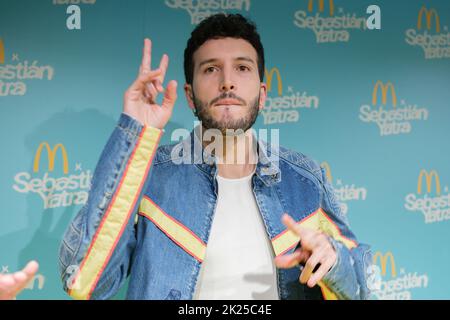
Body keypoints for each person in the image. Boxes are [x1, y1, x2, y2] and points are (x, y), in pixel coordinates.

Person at [58, 13, 373, 300]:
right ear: (190, 96)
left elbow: (362, 290)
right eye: (211, 69)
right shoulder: (147, 175)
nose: (227, 81)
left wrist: (333, 261)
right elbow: (85, 282)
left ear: (262, 94)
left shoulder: (305, 180)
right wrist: (132, 136)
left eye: (242, 67)